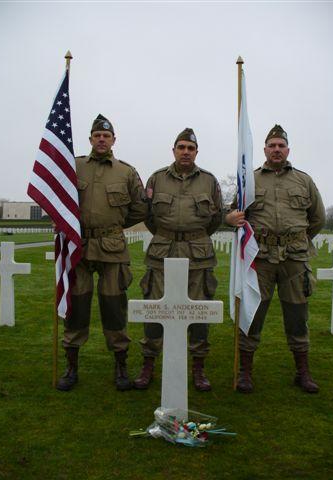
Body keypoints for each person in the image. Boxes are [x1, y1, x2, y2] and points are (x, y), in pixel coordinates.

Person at [225, 124, 325, 394]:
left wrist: (296, 240)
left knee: (297, 316)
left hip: (294, 260)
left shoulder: (304, 181)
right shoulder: (251, 180)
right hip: (262, 259)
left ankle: (302, 372)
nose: (277, 150)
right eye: (272, 146)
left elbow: (317, 219)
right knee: (253, 313)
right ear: (265, 150)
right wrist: (230, 217)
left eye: (281, 145)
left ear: (288, 150)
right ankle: (245, 372)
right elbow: (235, 212)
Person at [57, 114, 147, 392]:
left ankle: (120, 366)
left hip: (112, 247)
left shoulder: (126, 172)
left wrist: (115, 225)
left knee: (114, 307)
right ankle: (72, 366)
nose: (101, 139)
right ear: (91, 139)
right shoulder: (74, 167)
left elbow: (141, 207)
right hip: (79, 247)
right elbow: (58, 195)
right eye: (97, 135)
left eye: (106, 136)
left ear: (113, 140)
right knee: (77, 305)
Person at [134, 128, 223, 391]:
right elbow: (148, 215)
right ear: (173, 150)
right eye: (181, 147)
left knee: (198, 310)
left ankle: (198, 368)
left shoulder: (209, 181)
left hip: (199, 254)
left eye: (190, 148)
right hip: (162, 252)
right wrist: (168, 235)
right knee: (155, 308)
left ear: (196, 152)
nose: (186, 152)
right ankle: (148, 364)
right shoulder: (157, 179)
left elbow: (216, 217)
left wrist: (193, 236)